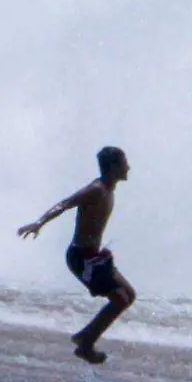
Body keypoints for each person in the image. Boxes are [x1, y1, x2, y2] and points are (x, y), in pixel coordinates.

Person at [17, 146, 135, 364]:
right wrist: (39, 222)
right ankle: (86, 343)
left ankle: (85, 337)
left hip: (94, 256)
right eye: (125, 162)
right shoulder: (97, 189)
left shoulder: (109, 190)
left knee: (129, 294)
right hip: (81, 258)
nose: (129, 167)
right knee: (120, 298)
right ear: (114, 166)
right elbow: (65, 203)